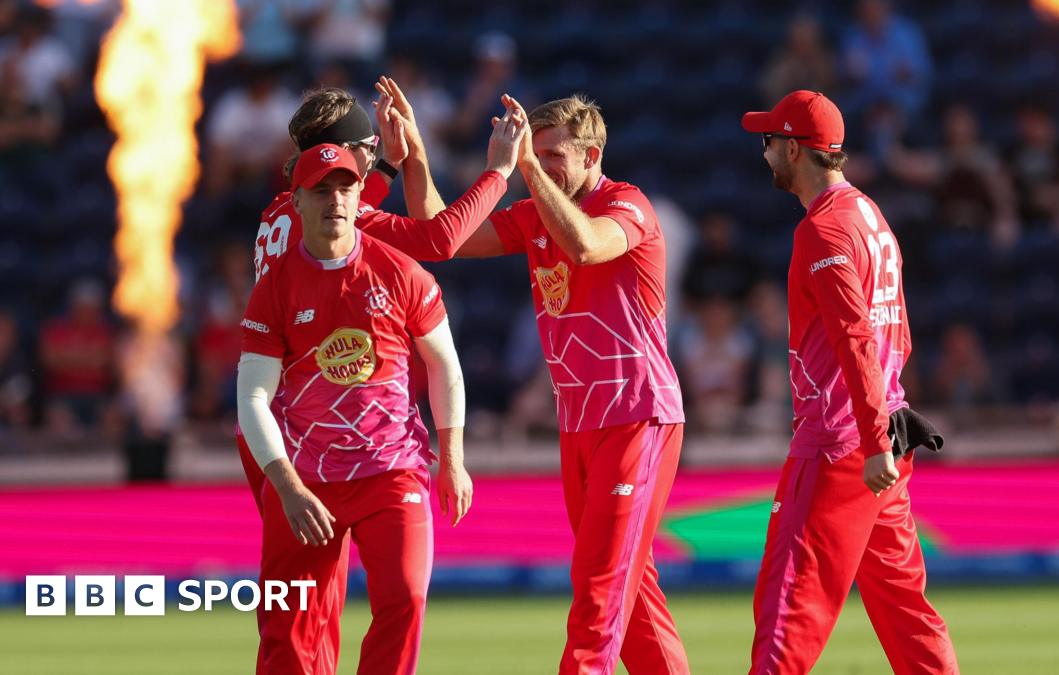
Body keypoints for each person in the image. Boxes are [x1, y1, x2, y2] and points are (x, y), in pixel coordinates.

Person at [237, 82, 524, 673]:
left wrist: (397, 160)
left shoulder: (285, 209)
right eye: (366, 147)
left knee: (302, 611)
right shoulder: (336, 218)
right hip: (305, 437)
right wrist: (497, 172)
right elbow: (440, 238)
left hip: (276, 429)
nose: (369, 161)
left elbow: (351, 198)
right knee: (309, 612)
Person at [445, 94, 689, 674]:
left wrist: (526, 167)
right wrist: (411, 159)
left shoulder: (627, 204)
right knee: (633, 588)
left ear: (592, 154)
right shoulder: (535, 215)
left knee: (599, 590)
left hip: (637, 414)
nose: (544, 163)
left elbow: (586, 246)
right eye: (539, 152)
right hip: (578, 421)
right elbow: (444, 236)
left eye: (555, 154)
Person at [741, 90, 958, 674]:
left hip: (845, 445)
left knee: (786, 615)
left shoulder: (823, 230)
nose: (764, 153)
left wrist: (871, 440)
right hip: (884, 428)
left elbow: (856, 338)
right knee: (906, 613)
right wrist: (888, 416)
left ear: (793, 148)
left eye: (768, 142)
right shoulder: (870, 215)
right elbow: (898, 331)